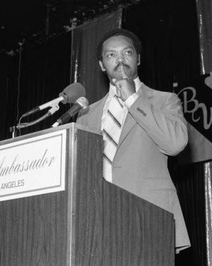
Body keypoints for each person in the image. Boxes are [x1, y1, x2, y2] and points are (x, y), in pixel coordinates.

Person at [76, 28, 190, 252]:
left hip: (147, 216)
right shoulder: (86, 114)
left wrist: (132, 99)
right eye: (110, 55)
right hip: (97, 222)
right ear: (101, 65)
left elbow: (175, 143)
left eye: (127, 52)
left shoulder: (164, 100)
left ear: (138, 59)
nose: (119, 59)